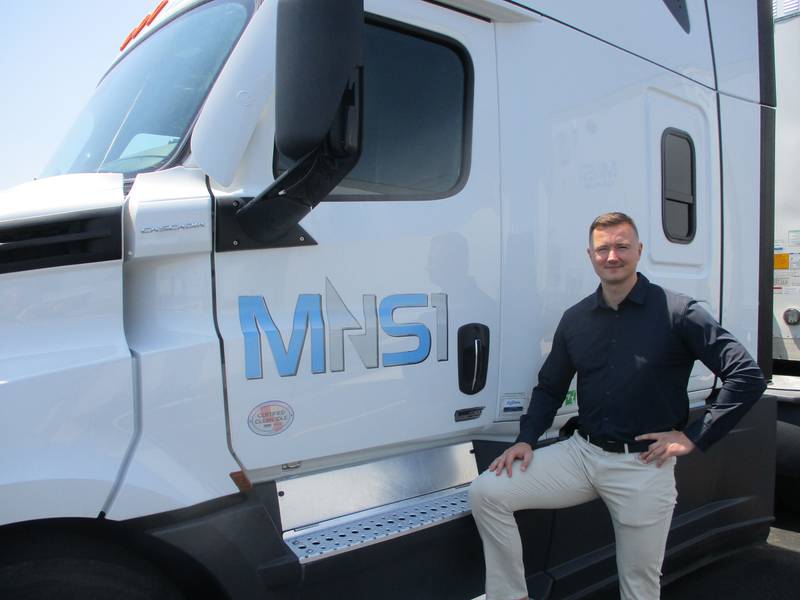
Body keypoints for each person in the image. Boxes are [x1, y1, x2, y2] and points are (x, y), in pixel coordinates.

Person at [468, 212, 766, 600]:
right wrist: (526, 439)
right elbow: (550, 387)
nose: (612, 256)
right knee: (487, 492)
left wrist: (694, 435)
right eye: (603, 248)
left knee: (639, 586)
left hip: (642, 466)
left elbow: (746, 375)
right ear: (590, 255)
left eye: (622, 246)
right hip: (582, 454)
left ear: (639, 251)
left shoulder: (678, 312)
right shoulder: (576, 319)